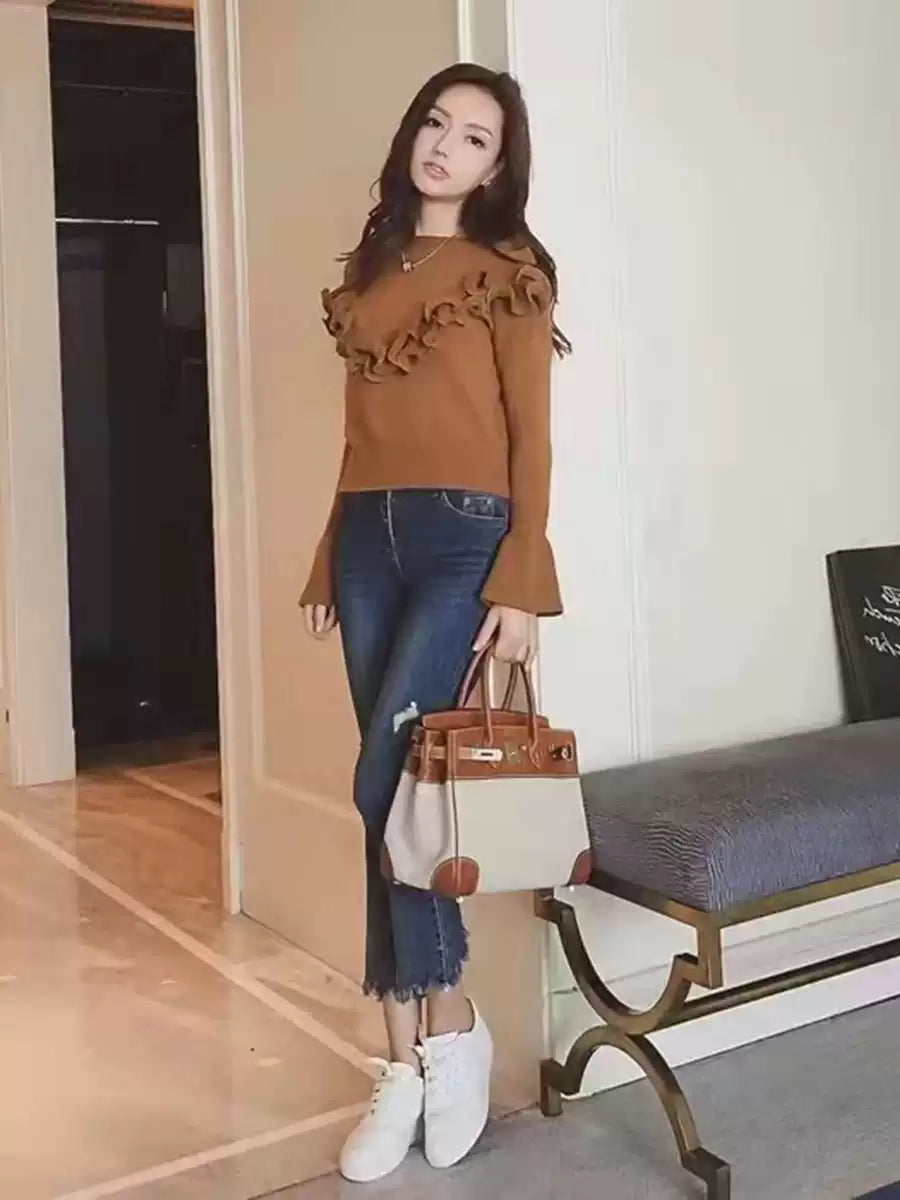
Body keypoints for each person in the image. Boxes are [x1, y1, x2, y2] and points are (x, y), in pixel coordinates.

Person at [299, 62, 569, 1182]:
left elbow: (532, 437)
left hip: (466, 538)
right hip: (369, 539)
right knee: (389, 792)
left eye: (475, 138)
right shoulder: (372, 272)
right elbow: (360, 438)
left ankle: (446, 1027)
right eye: (437, 124)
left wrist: (521, 582)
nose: (446, 146)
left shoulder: (508, 276)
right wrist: (330, 551)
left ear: (498, 168)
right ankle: (407, 1058)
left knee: (392, 777)